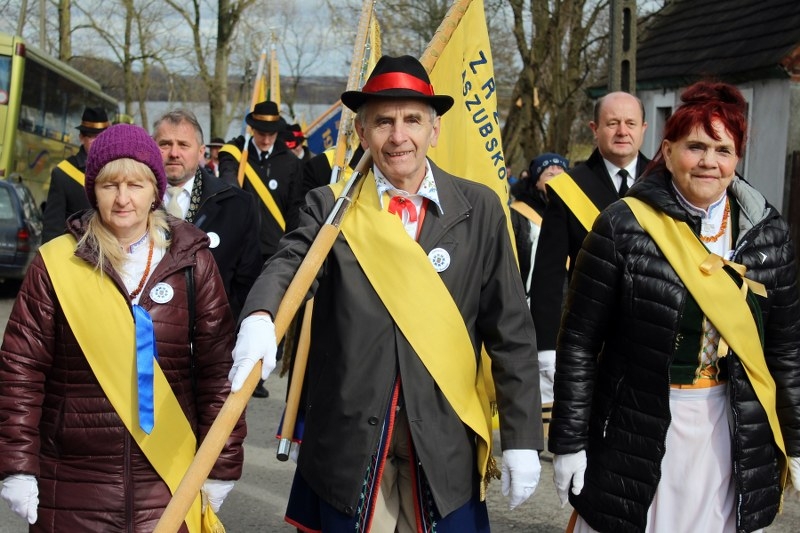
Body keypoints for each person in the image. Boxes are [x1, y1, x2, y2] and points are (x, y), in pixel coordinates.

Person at [227, 55, 543, 532]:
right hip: (350, 438)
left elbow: (511, 332)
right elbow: (290, 263)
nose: (399, 137)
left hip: (443, 437)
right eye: (383, 122)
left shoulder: (479, 209)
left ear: (435, 130)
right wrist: (260, 315)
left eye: (412, 120)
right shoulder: (330, 206)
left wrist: (522, 438)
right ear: (361, 131)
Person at [549, 81, 800, 533]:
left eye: (723, 150)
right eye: (695, 147)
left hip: (730, 429)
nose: (709, 161)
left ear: (737, 159)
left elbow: (786, 350)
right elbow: (580, 342)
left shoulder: (768, 233)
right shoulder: (623, 226)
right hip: (637, 425)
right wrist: (569, 440)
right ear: (667, 151)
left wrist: (796, 441)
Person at [0, 124, 246, 530]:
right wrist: (17, 464)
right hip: (71, 479)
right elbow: (20, 372)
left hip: (167, 477)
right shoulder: (55, 264)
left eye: (135, 184)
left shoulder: (192, 260)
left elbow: (218, 370)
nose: (122, 198)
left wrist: (221, 461)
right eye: (110, 185)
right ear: (93, 191)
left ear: (155, 191)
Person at [529, 91, 649, 401]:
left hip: (655, 339)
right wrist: (546, 348)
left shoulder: (666, 180)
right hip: (590, 340)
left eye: (630, 123)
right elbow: (548, 276)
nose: (622, 131)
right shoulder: (569, 188)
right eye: (612, 123)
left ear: (643, 129)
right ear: (594, 129)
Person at [153, 109, 262, 320]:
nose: (174, 153)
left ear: (201, 151)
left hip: (212, 327)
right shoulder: (129, 203)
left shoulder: (236, 206)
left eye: (183, 145)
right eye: (165, 144)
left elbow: (247, 282)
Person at [509, 152, 568, 413]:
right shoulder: (519, 214)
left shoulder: (576, 212)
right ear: (535, 180)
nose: (555, 176)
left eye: (560, 172)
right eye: (549, 173)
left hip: (567, 306)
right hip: (531, 304)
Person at [218, 100, 303, 263]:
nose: (266, 141)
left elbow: (295, 207)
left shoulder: (291, 162)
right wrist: (231, 186)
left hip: (276, 249)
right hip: (242, 245)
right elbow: (227, 174)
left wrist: (292, 246)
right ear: (252, 129)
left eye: (271, 135)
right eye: (261, 134)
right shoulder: (237, 153)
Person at [42, 106, 110, 242]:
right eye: (92, 137)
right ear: (81, 138)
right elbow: (52, 228)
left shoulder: (117, 168)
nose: (98, 142)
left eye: (102, 137)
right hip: (77, 250)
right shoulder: (63, 174)